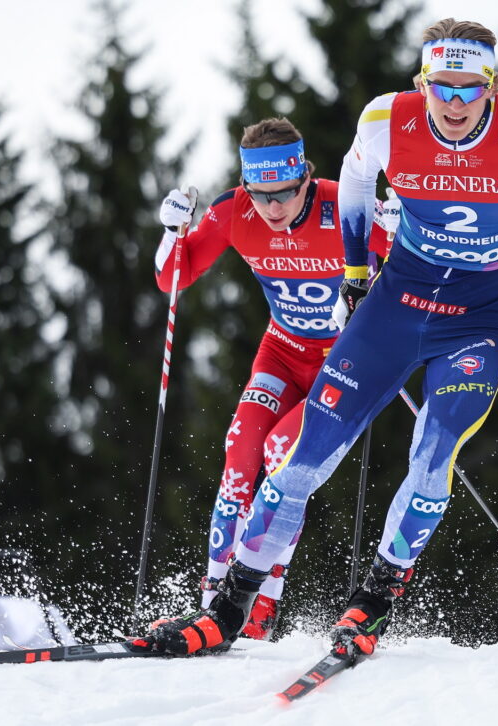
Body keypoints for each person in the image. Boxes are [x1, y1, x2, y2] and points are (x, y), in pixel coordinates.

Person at [136, 18, 498, 658]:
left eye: (469, 88)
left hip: (475, 321)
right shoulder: (385, 121)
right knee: (304, 457)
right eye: (440, 87)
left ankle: (370, 605)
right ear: (421, 82)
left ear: (491, 84)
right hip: (393, 308)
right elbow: (354, 179)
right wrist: (354, 273)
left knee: (433, 452)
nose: (454, 105)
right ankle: (227, 610)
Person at [148, 118, 389, 641]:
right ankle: (214, 604)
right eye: (261, 194)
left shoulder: (344, 204)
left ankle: (257, 612)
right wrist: (173, 234)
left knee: (284, 454)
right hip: (281, 352)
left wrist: (395, 229)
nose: (273, 208)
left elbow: (414, 274)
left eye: (285, 192)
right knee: (241, 450)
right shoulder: (234, 209)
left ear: (306, 176)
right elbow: (174, 277)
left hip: (345, 363)